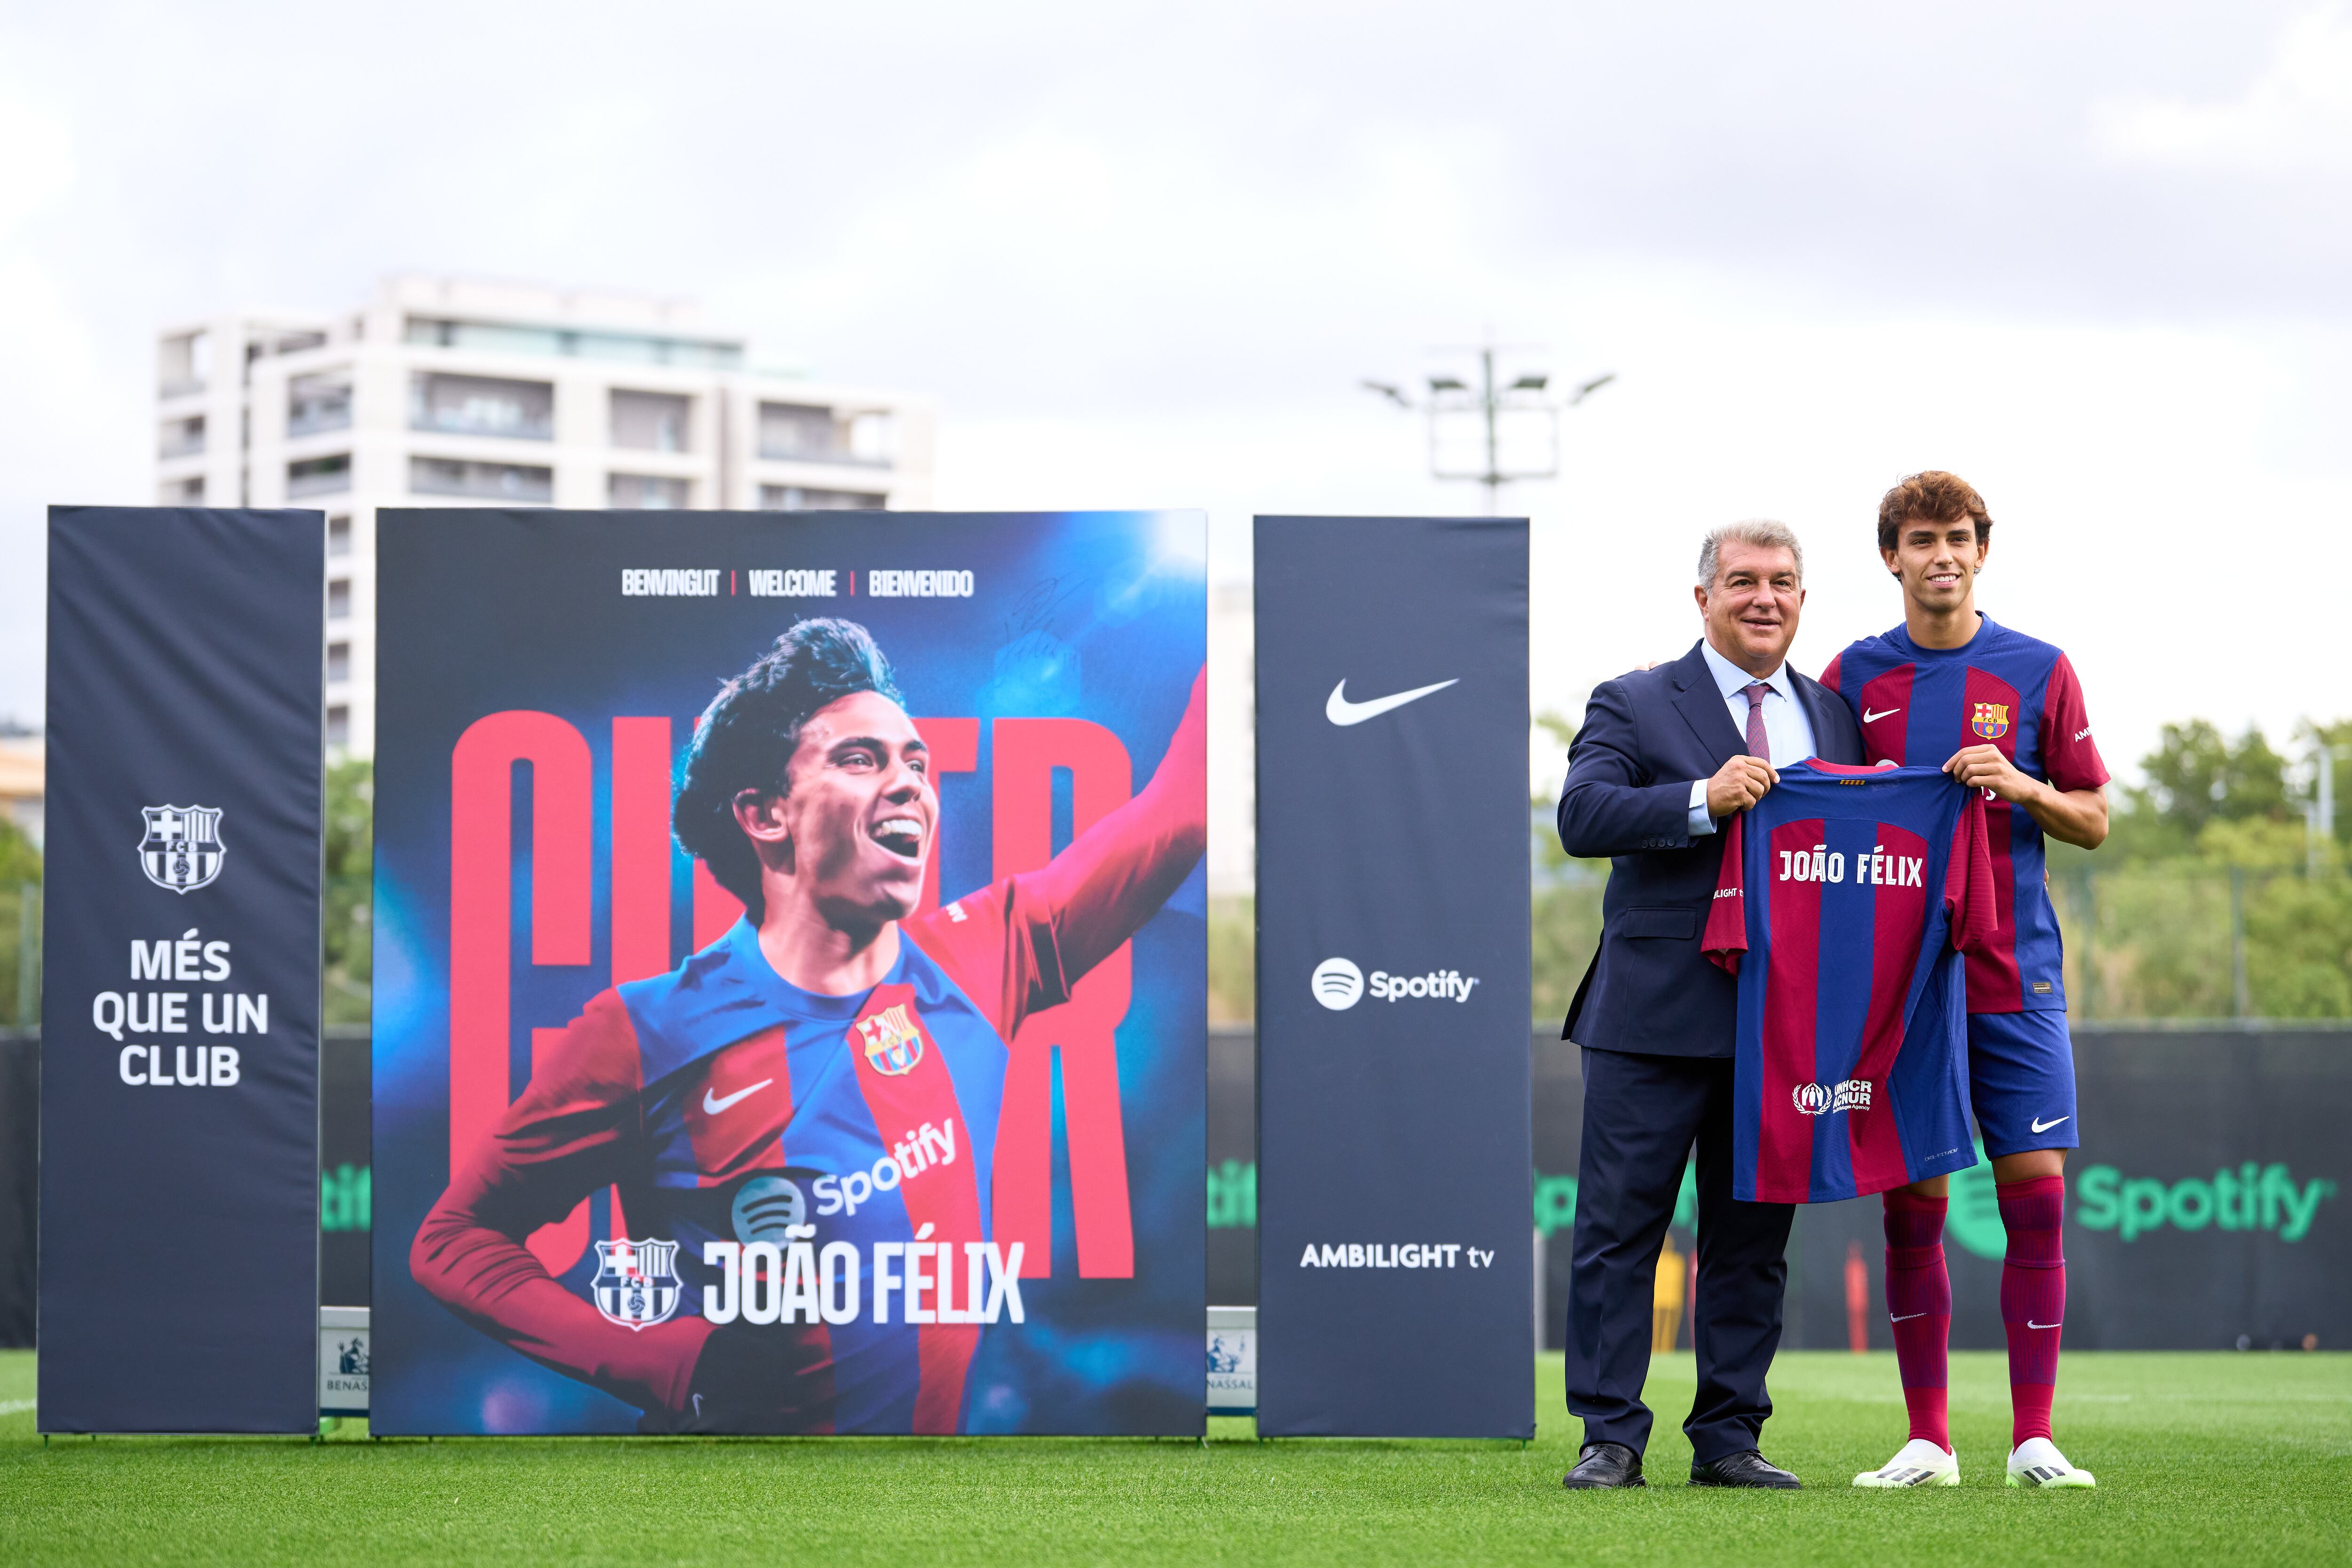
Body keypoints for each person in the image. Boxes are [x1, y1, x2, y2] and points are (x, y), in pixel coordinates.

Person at [412, 617, 1206, 1433]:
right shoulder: (642, 1031)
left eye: (917, 762)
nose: (910, 784)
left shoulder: (982, 955)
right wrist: (665, 1360)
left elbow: (1179, 813)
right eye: (861, 758)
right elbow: (454, 1240)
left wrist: (1246, 643)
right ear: (765, 814)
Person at [1555, 520, 1864, 1489]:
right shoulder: (1635, 698)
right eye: (1741, 581)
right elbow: (1581, 814)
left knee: (1752, 1241)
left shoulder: (1837, 718)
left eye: (1782, 582)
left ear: (1803, 600)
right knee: (1618, 1232)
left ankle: (1729, 1437)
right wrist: (1700, 796)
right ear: (1704, 598)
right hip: (1650, 1017)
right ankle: (1610, 1435)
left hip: (1783, 1026)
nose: (1763, 597)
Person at [1822, 472, 2108, 1490]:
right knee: (1913, 1198)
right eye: (1919, 538)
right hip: (1900, 980)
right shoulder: (1854, 675)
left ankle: (2034, 1436)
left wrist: (2023, 783)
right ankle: (1929, 1440)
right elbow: (1817, 808)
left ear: (1982, 550)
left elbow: (2093, 816)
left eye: (1956, 537)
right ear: (1891, 557)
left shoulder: (2039, 669)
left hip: (2013, 971)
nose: (1940, 554)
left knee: (2034, 1193)